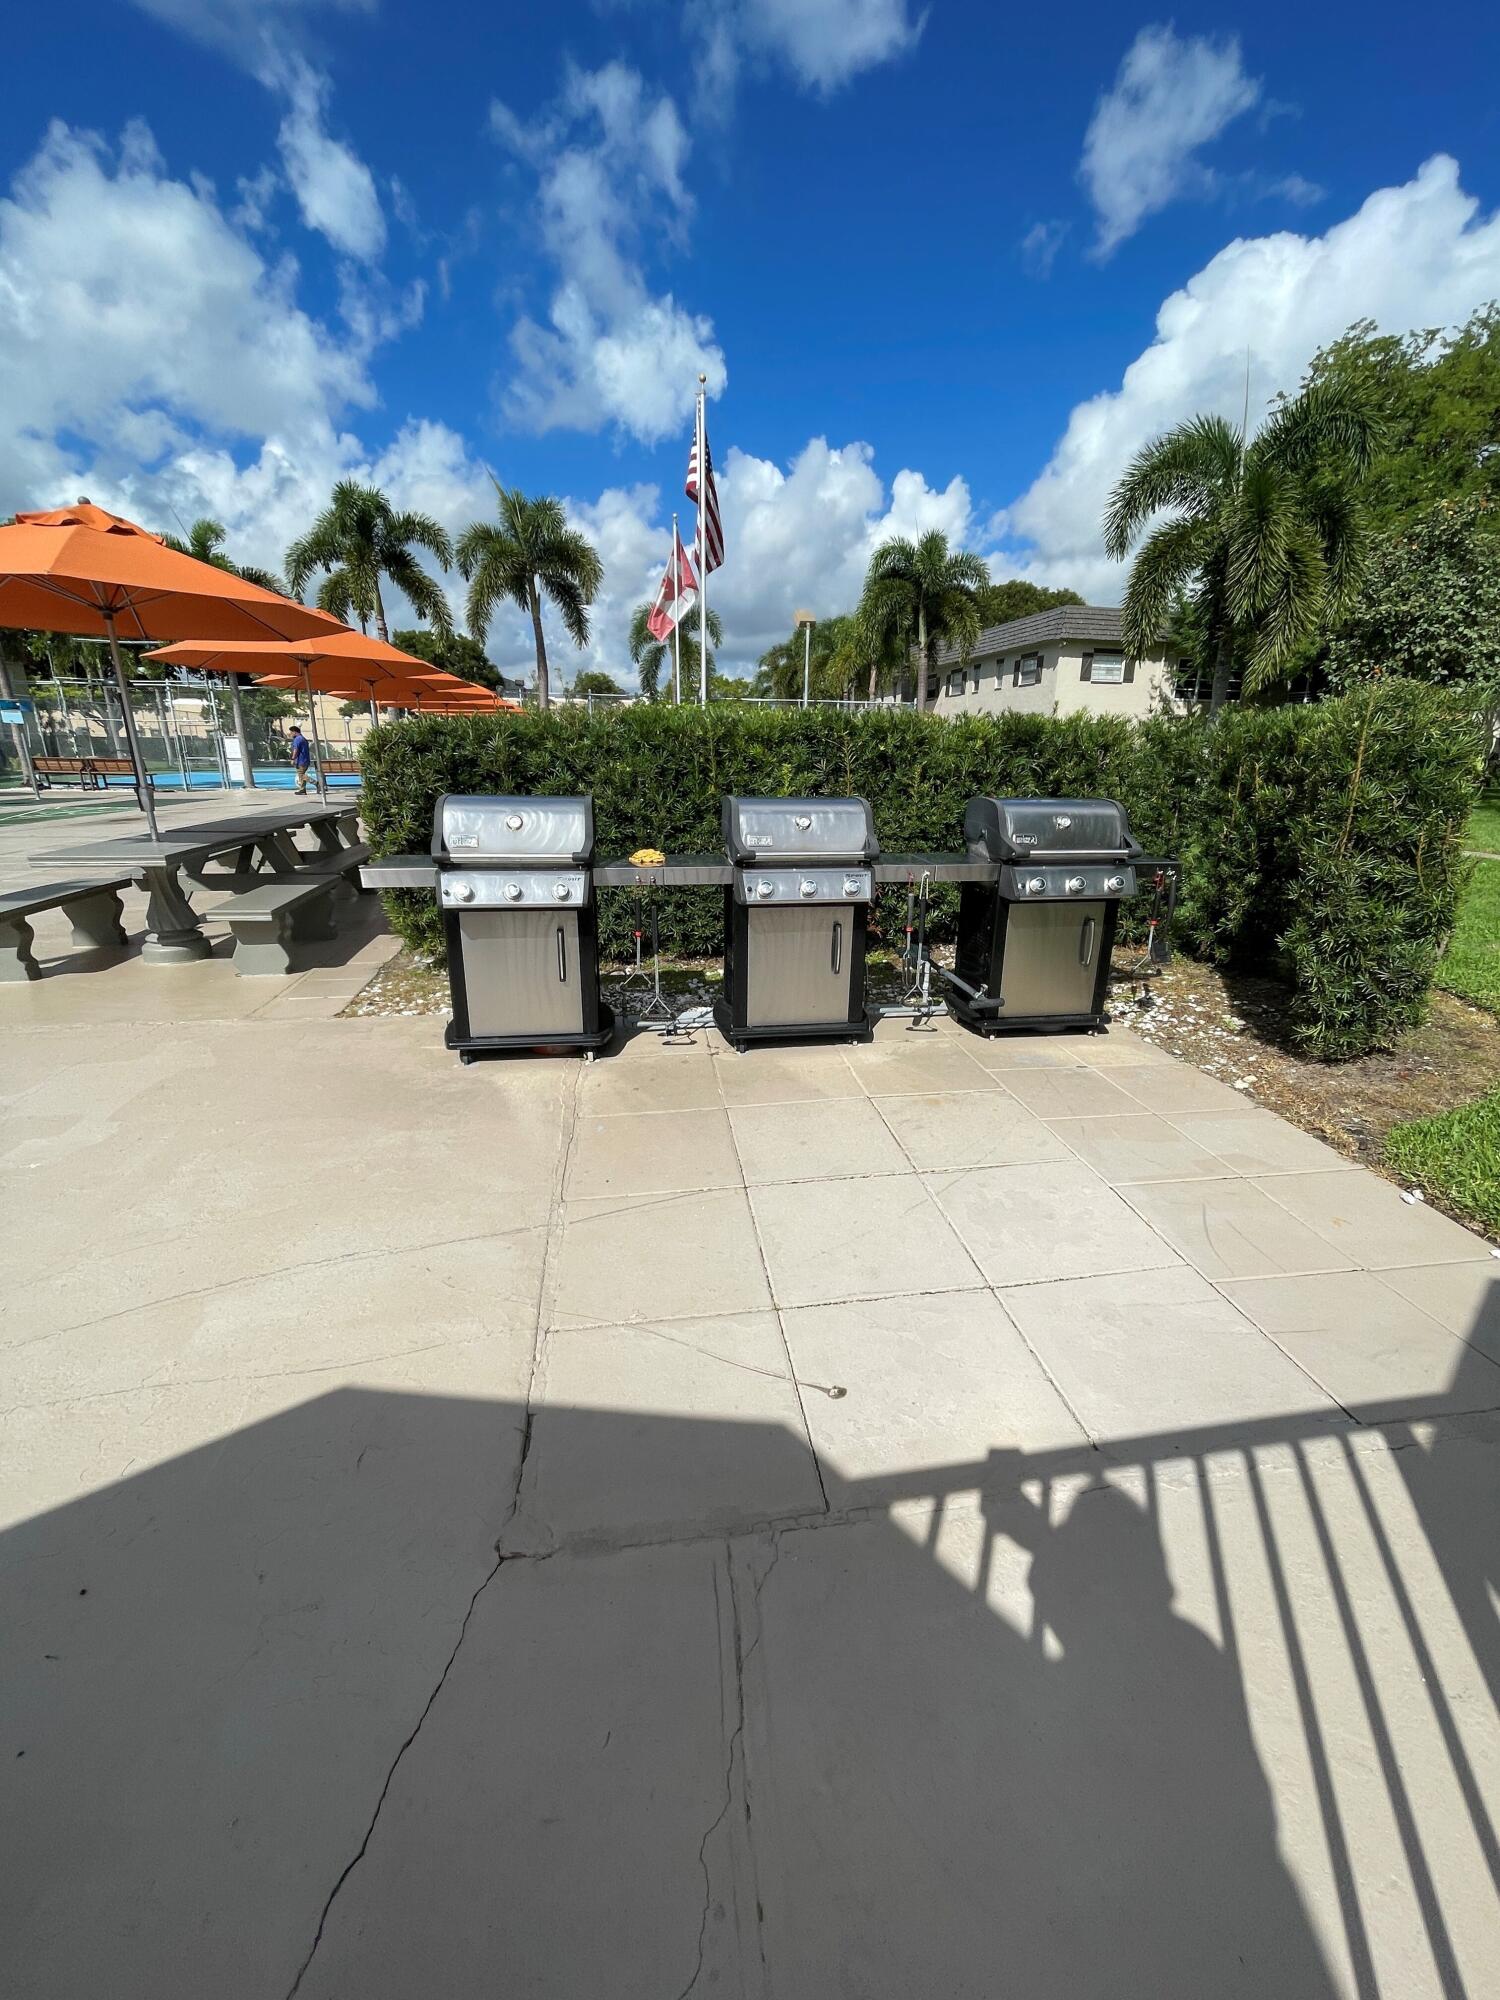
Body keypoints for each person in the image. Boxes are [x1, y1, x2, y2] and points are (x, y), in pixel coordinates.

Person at [289, 724, 313, 795]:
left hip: (301, 760)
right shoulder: (303, 738)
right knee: (301, 775)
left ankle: (316, 783)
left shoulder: (298, 739)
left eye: (291, 732)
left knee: (301, 775)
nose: (290, 734)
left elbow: (296, 750)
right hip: (305, 760)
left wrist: (293, 758)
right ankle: (302, 789)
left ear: (294, 732)